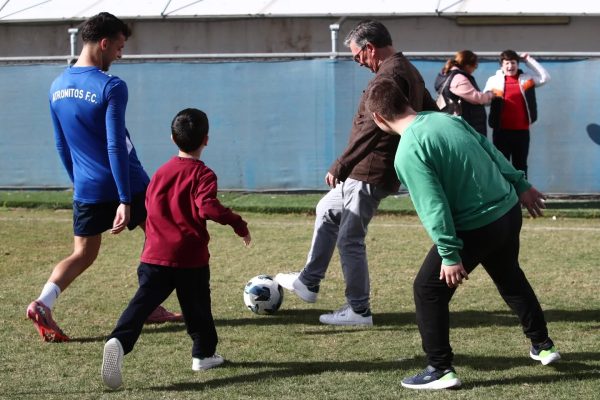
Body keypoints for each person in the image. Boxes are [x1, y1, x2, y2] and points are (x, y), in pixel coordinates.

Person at [365, 76, 560, 390]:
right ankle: (543, 345)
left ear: (378, 118)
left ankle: (440, 369)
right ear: (407, 103)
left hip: (478, 225)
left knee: (428, 290)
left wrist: (449, 253)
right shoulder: (448, 120)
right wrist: (520, 183)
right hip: (508, 211)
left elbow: (433, 206)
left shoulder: (409, 150)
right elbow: (491, 151)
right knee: (510, 276)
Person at [26, 12, 181, 343]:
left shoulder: (57, 86)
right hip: (128, 182)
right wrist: (124, 198)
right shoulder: (111, 85)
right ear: (104, 43)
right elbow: (115, 145)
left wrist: (78, 181)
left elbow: (61, 144)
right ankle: (148, 305)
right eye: (119, 47)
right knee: (161, 235)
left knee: (82, 254)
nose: (120, 55)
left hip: (87, 187)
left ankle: (43, 302)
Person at [274, 19, 437, 326]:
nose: (358, 62)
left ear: (370, 48)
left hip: (370, 170)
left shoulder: (388, 77)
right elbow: (432, 113)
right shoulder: (408, 70)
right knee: (326, 209)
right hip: (372, 170)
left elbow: (373, 128)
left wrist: (342, 163)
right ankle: (309, 281)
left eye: (358, 55)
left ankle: (358, 310)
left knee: (350, 238)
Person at [101, 108, 251, 389]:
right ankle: (203, 354)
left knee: (142, 304)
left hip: (154, 255)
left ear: (172, 139)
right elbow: (208, 207)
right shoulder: (203, 174)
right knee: (197, 306)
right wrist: (238, 224)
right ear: (206, 139)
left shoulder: (160, 173)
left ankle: (119, 341)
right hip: (190, 258)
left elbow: (150, 205)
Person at [484, 50, 550, 178]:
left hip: (522, 132)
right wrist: (488, 96)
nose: (510, 66)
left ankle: (522, 191)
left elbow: (545, 77)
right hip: (501, 132)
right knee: (501, 166)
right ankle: (503, 191)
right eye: (507, 63)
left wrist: (528, 60)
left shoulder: (527, 79)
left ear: (518, 64)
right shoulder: (493, 80)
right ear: (501, 65)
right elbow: (485, 101)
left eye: (513, 63)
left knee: (521, 165)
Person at [434, 50, 493, 136]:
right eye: (474, 66)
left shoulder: (447, 74)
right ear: (468, 65)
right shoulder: (458, 78)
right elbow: (476, 98)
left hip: (452, 121)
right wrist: (490, 95)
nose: (474, 70)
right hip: (464, 123)